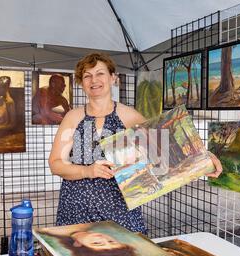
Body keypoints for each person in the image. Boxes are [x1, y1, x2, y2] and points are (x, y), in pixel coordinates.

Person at [48, 52, 223, 235]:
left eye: (100, 73)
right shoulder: (72, 118)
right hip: (75, 211)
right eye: (87, 76)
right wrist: (87, 171)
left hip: (120, 213)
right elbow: (55, 164)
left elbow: (164, 153)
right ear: (81, 82)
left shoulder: (130, 117)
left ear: (113, 78)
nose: (94, 80)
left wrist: (203, 158)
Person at [38, 225, 135, 256]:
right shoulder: (91, 225)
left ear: (78, 244)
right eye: (111, 241)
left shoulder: (51, 232)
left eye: (97, 243)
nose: (103, 238)